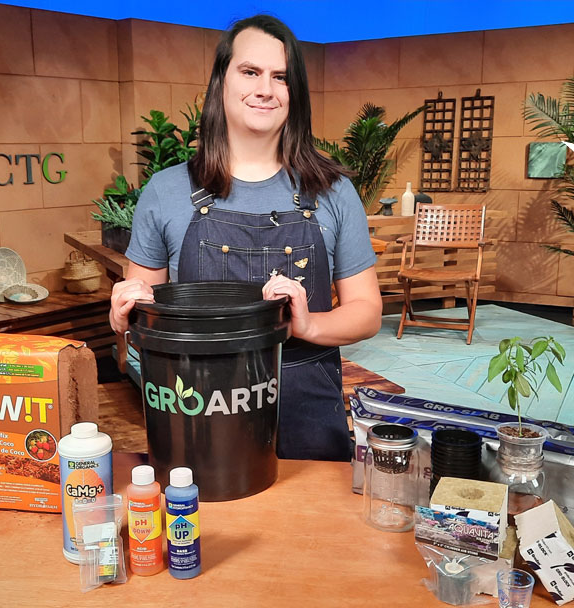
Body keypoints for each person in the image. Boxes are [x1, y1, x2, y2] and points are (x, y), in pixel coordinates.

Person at [109, 15, 382, 461]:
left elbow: (367, 312)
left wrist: (308, 324)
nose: (265, 89)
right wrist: (123, 316)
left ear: (295, 94)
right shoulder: (166, 191)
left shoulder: (332, 191)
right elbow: (142, 319)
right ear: (221, 82)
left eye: (281, 77)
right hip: (197, 408)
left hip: (306, 407)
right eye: (250, 71)